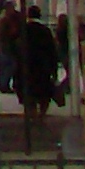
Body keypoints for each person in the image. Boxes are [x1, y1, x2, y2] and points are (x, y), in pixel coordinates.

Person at [16, 8, 64, 151]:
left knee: (28, 92)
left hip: (26, 68)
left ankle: (32, 113)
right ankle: (40, 116)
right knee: (44, 93)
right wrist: (54, 70)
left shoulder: (23, 30)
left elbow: (16, 49)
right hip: (42, 68)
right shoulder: (45, 31)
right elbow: (52, 51)